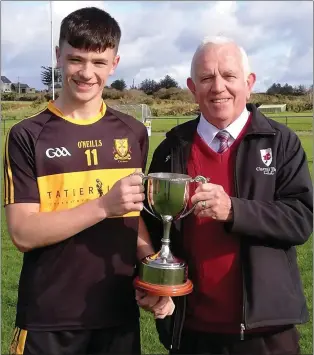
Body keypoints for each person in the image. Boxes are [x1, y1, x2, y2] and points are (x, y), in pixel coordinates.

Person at [4, 7, 173, 355]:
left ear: (114, 63)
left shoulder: (133, 132)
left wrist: (152, 269)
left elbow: (132, 216)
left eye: (98, 62)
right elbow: (23, 233)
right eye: (75, 59)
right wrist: (101, 205)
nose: (86, 72)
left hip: (116, 316)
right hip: (48, 318)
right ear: (58, 56)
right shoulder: (27, 135)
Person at [140, 36, 313, 355]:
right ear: (193, 88)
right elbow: (151, 226)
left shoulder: (281, 142)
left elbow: (301, 220)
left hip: (266, 333)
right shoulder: (171, 149)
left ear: (249, 83)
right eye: (206, 78)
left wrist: (234, 211)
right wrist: (152, 282)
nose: (218, 87)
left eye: (229, 76)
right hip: (191, 331)